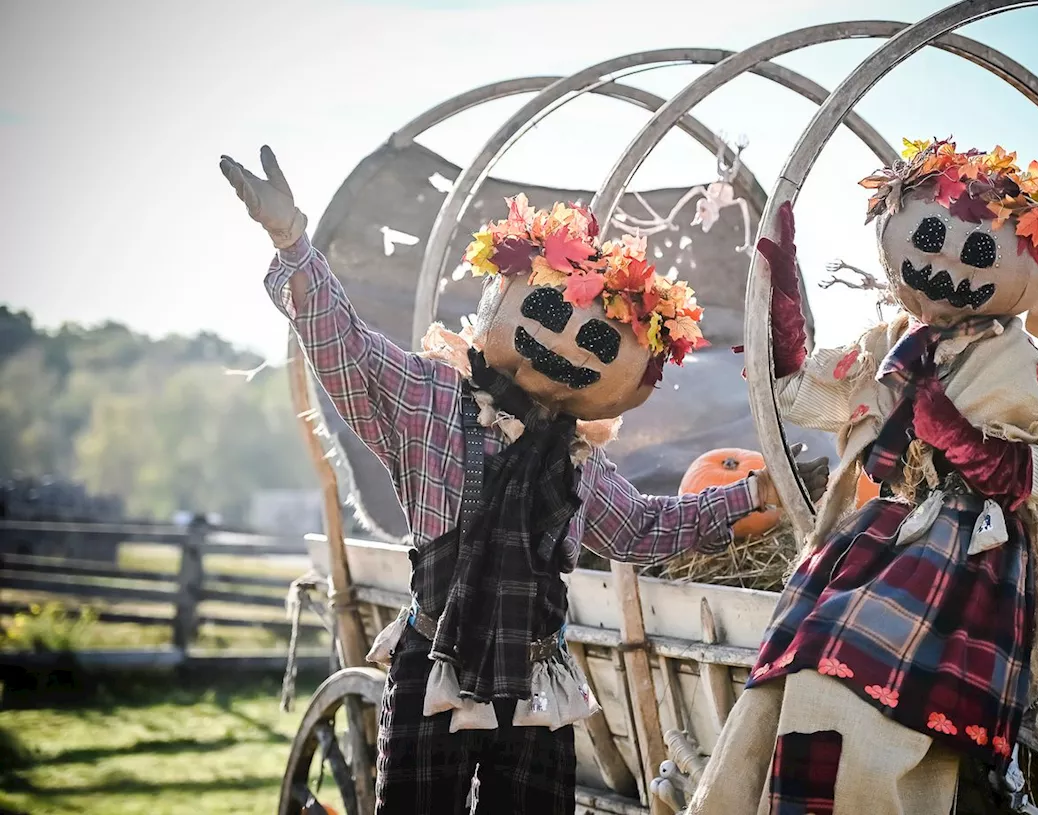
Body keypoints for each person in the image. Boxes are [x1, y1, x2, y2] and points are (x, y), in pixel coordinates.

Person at [218, 146, 828, 815]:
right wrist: (292, 242)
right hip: (438, 663)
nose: (567, 344)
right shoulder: (428, 403)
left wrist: (751, 494)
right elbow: (346, 348)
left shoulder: (572, 456)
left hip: (539, 682)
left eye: (598, 345)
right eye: (548, 311)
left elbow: (640, 527)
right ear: (501, 299)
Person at [689, 138, 1038, 814]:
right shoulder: (889, 340)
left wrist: (955, 434)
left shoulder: (1020, 367)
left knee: (853, 694)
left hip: (961, 554)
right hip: (882, 537)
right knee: (791, 673)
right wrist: (779, 298)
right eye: (930, 239)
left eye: (979, 253)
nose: (950, 267)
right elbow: (806, 388)